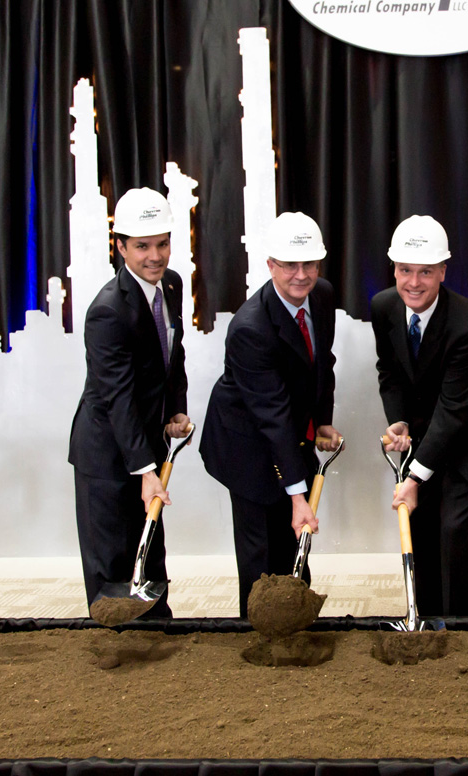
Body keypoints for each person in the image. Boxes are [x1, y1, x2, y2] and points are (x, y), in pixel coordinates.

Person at [199, 212, 342, 616]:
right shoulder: (250, 328)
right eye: (289, 265)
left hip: (287, 430)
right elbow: (272, 416)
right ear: (270, 265)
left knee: (294, 544)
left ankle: (297, 621)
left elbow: (322, 362)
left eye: (309, 264)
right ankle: (259, 633)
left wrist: (322, 420)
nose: (301, 275)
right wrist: (298, 495)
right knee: (263, 549)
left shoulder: (323, 295)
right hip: (246, 443)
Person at [372, 216, 468, 618]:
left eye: (426, 272)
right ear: (394, 268)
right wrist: (398, 419)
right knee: (421, 530)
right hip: (425, 435)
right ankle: (427, 622)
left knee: (454, 534)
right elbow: (390, 370)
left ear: (442, 272)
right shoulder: (383, 307)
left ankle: (459, 629)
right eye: (405, 271)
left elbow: (454, 412)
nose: (413, 282)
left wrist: (414, 477)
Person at [68, 187, 192, 619]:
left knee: (149, 545)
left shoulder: (170, 284)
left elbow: (172, 354)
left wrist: (177, 407)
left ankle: (156, 634)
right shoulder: (107, 311)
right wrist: (144, 470)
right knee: (112, 562)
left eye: (162, 243)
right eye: (142, 246)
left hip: (146, 441)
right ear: (119, 246)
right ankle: (116, 652)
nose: (155, 256)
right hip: (107, 453)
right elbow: (117, 396)